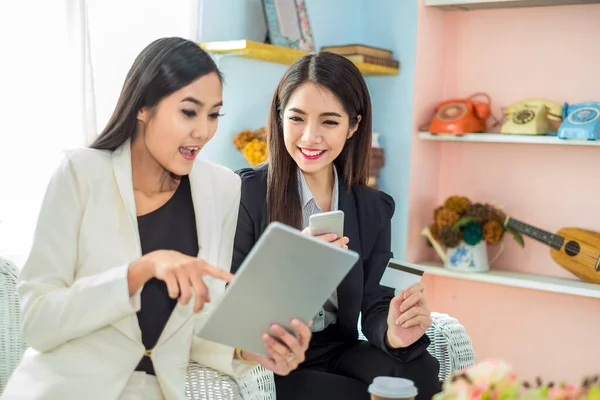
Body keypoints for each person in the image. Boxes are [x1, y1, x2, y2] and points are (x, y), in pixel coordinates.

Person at [1, 37, 311, 400]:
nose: (204, 131)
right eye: (189, 112)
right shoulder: (80, 173)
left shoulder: (221, 189)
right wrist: (139, 271)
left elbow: (193, 326)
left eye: (213, 114)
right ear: (143, 108)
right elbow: (38, 322)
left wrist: (246, 350)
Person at [232, 52, 441, 400]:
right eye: (296, 118)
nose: (309, 137)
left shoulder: (373, 207)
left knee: (421, 371)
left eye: (329, 122)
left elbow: (375, 304)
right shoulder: (247, 194)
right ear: (280, 117)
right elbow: (233, 306)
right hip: (275, 357)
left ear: (354, 126)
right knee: (350, 394)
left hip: (337, 348)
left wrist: (392, 330)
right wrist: (292, 263)